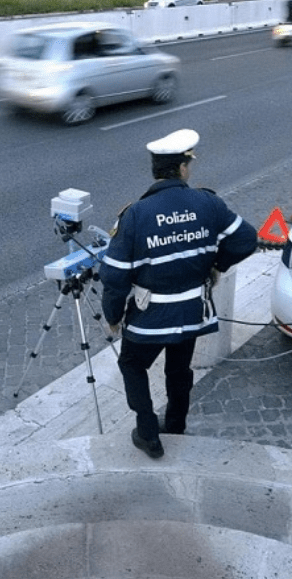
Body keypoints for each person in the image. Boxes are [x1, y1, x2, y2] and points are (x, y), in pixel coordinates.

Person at [101, 129, 257, 459]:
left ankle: (147, 433)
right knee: (179, 368)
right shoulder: (208, 202)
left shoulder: (136, 214)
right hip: (191, 313)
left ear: (155, 170)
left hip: (149, 318)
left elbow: (114, 276)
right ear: (184, 168)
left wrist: (113, 317)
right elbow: (246, 240)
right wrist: (216, 265)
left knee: (131, 364)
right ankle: (176, 426)